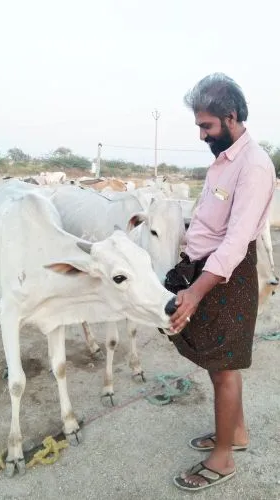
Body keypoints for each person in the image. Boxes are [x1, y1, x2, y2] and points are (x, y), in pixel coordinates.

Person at [166, 73, 275, 492]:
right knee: (219, 365)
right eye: (198, 125)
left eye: (206, 126)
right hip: (208, 271)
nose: (200, 135)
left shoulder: (254, 165)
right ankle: (236, 434)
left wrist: (195, 291)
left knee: (225, 369)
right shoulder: (224, 158)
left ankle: (223, 457)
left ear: (231, 117)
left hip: (227, 277)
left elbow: (233, 242)